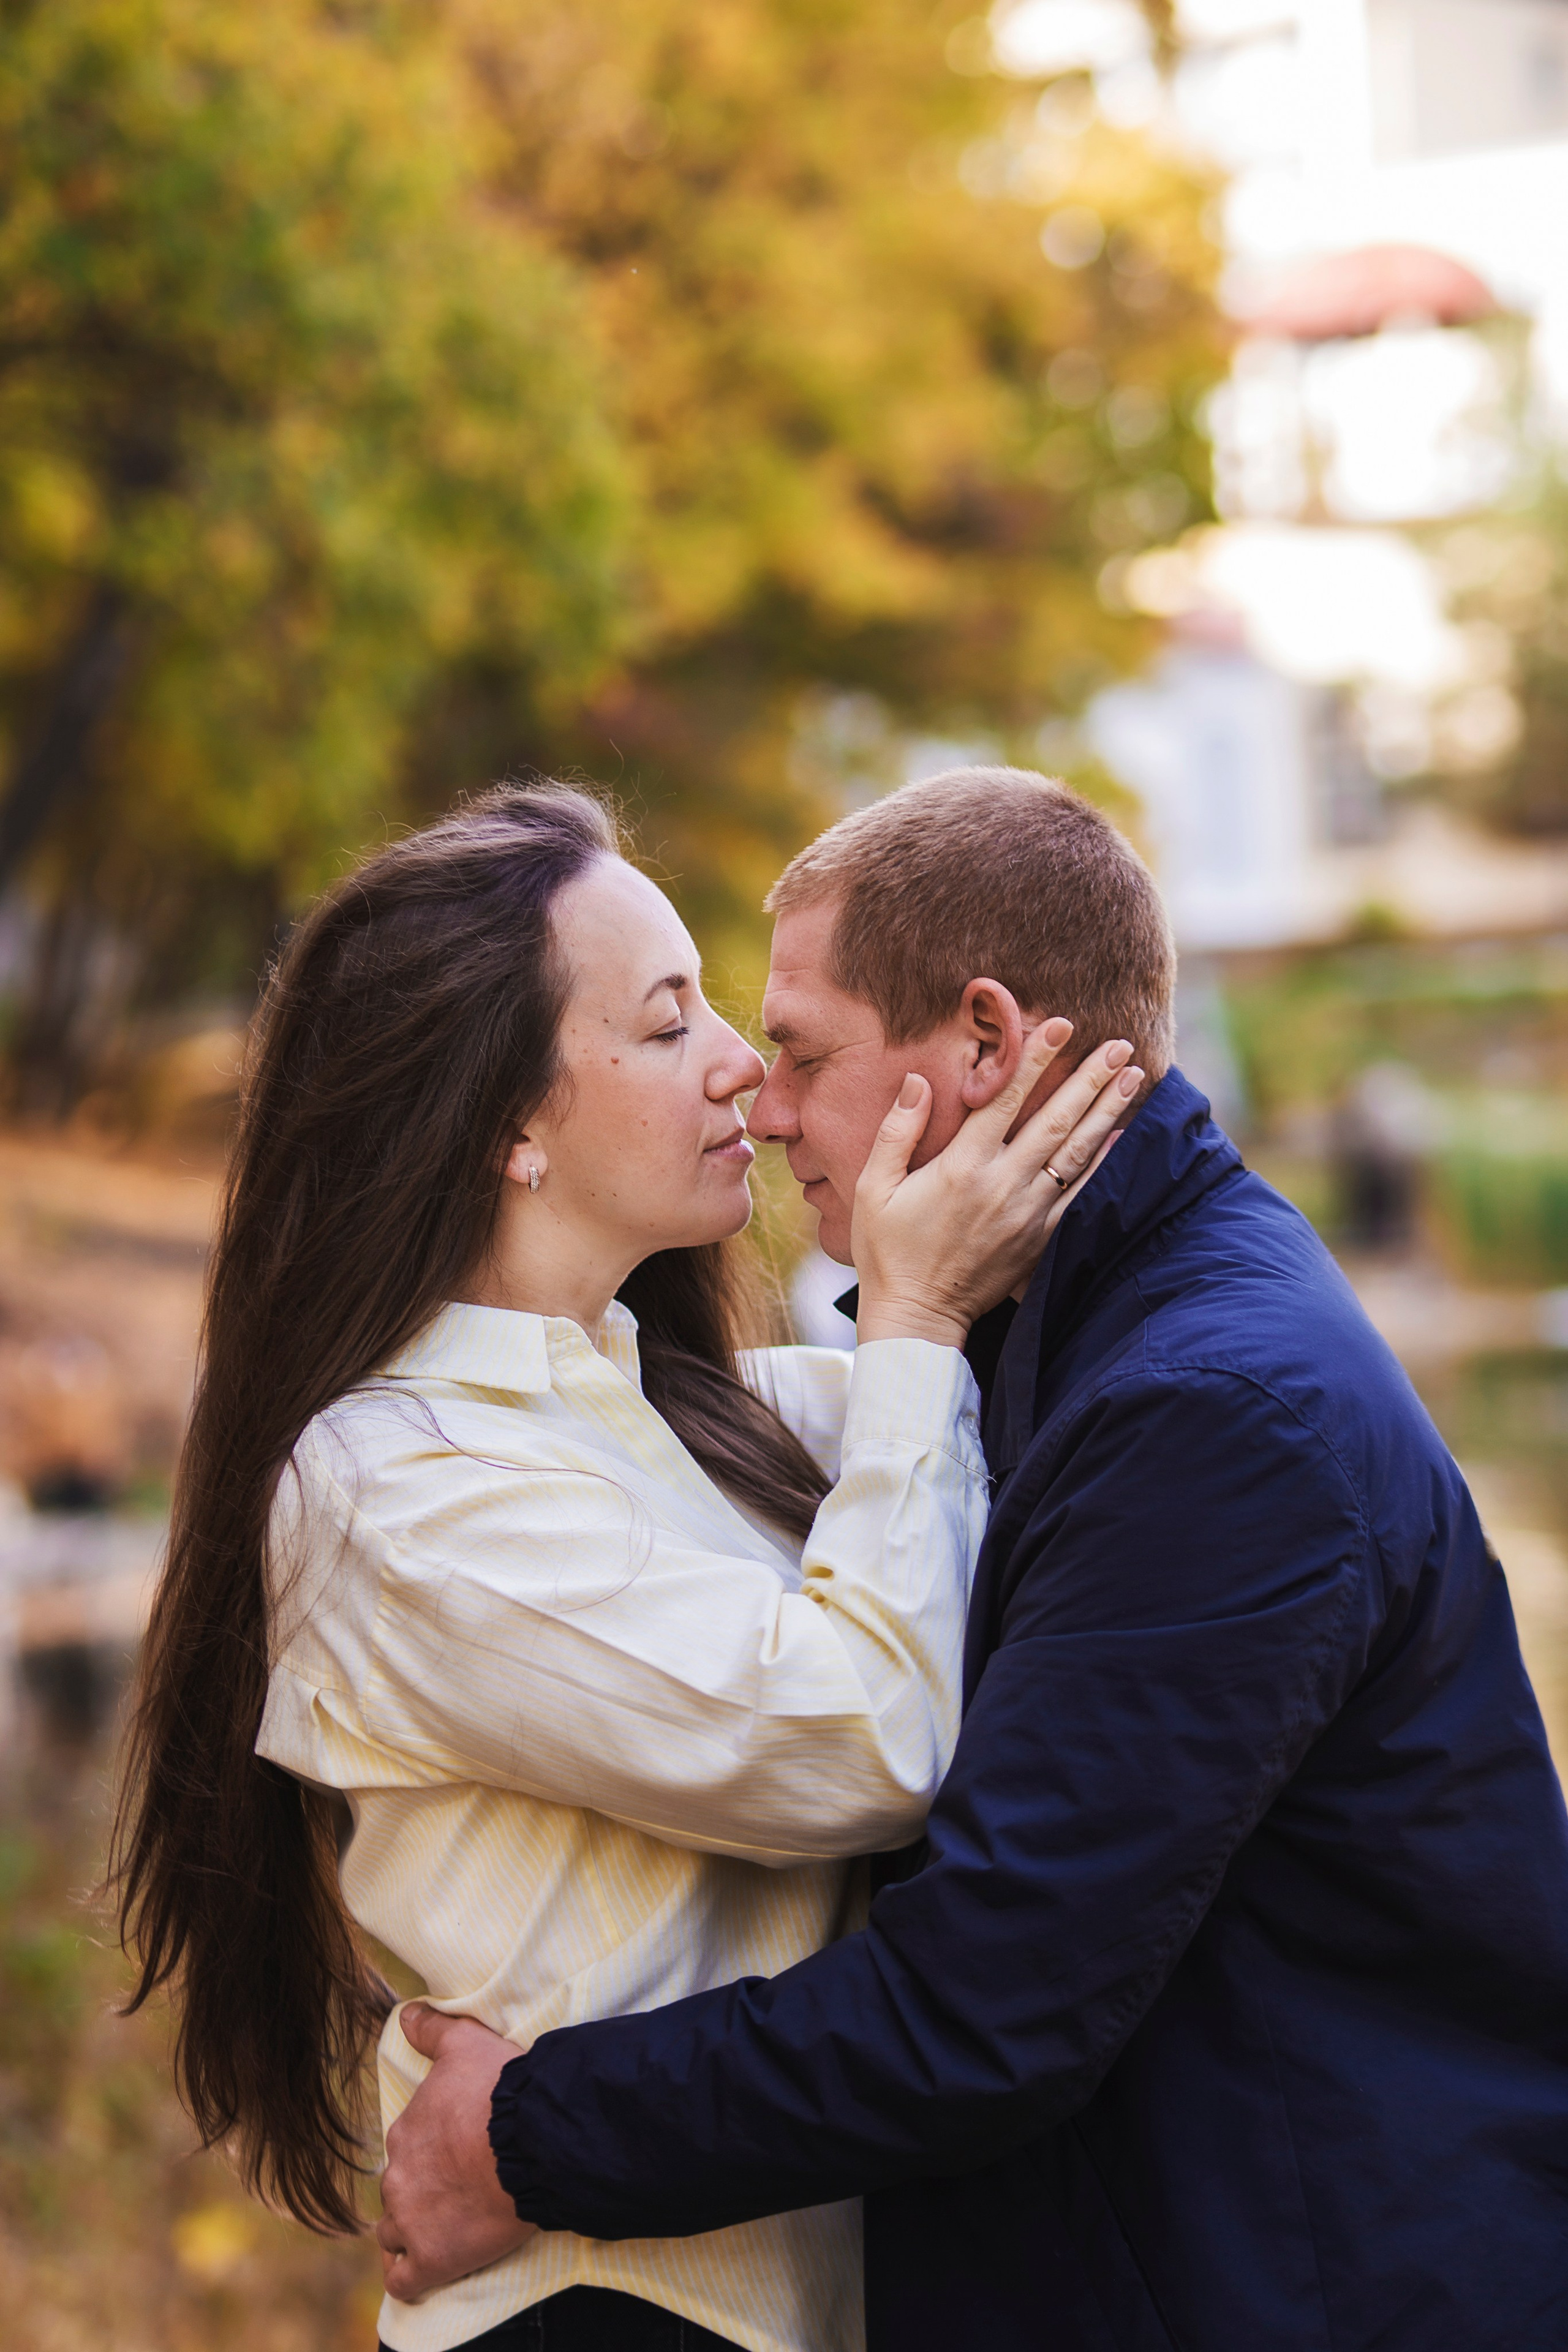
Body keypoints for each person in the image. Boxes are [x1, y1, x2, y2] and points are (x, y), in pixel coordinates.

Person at [379, 767, 1568, 2352]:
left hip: (1294, 2290)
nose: (769, 1101)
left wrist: (520, 2138)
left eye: (804, 1049)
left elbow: (977, 2011)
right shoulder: (1075, 1333)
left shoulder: (1208, 1415)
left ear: (990, 1048)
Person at [111, 780, 1134, 2352]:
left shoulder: (676, 1406)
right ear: (507, 1122)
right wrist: (918, 1320)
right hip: (608, 2309)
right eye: (667, 1026)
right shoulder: (401, 1496)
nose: (742, 1060)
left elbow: (995, 1462)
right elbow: (854, 1742)